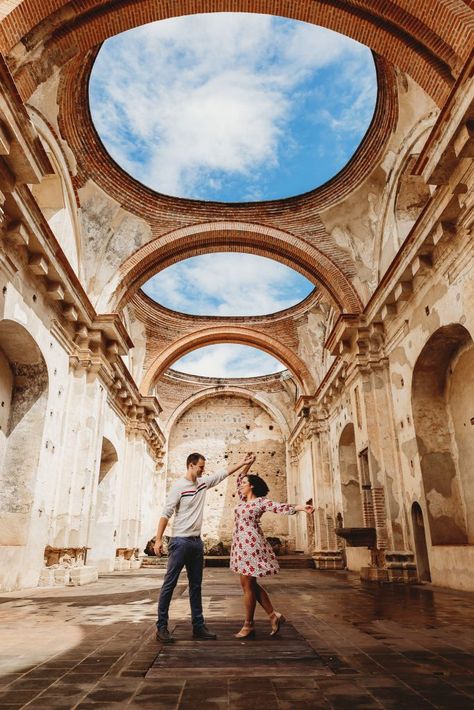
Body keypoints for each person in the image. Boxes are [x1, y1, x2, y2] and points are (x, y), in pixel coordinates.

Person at [155, 451, 255, 643]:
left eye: (204, 467)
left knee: (196, 586)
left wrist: (243, 462)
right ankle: (161, 627)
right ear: (191, 465)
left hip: (196, 543)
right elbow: (166, 514)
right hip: (180, 542)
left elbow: (222, 474)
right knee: (170, 584)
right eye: (201, 466)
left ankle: (198, 627)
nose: (203, 470)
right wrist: (159, 540)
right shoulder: (178, 487)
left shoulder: (202, 483)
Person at [230, 467, 314, 638]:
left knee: (247, 585)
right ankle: (273, 615)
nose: (240, 485)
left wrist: (300, 507)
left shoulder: (260, 502)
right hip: (240, 545)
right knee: (250, 584)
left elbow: (279, 507)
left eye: (244, 483)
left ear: (252, 486)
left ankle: (249, 625)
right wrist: (247, 463)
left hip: (251, 546)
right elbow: (239, 478)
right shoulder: (243, 500)